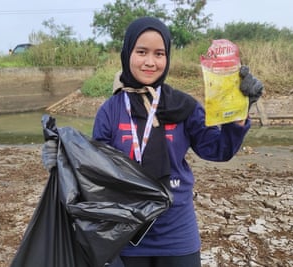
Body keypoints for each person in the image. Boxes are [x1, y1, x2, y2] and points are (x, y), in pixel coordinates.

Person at [42, 16, 263, 267]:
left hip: (177, 230)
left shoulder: (185, 106)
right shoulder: (111, 110)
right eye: (141, 52)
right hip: (124, 230)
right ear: (127, 54)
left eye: (159, 54)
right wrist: (61, 158)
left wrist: (238, 113)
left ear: (167, 58)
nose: (150, 61)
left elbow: (218, 150)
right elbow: (96, 172)